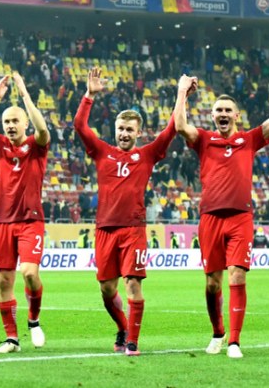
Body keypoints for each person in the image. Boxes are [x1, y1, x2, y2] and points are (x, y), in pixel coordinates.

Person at [174, 60, 269, 358]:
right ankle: (218, 333)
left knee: (237, 275)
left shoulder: (249, 139)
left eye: (228, 111)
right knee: (213, 283)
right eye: (219, 111)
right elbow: (179, 126)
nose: (223, 114)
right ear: (212, 115)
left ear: (237, 116)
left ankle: (235, 342)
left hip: (240, 217)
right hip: (210, 218)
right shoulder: (204, 139)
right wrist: (182, 92)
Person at [73, 66, 187, 356]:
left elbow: (171, 128)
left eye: (129, 130)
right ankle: (123, 327)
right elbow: (80, 126)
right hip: (105, 230)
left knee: (133, 284)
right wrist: (88, 96)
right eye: (120, 129)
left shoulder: (147, 154)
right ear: (115, 131)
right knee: (107, 291)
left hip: (133, 229)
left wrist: (181, 94)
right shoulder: (101, 152)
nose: (124, 134)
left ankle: (133, 341)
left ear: (139, 132)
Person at [0, 72, 50, 353]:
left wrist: (24, 94)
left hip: (31, 221)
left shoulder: (36, 146)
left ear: (25, 123)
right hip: (3, 222)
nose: (10, 126)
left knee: (29, 273)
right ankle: (12, 339)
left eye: (15, 121)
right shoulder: (1, 147)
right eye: (6, 122)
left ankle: (34, 319)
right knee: (4, 281)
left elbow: (43, 131)